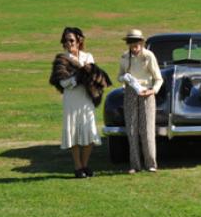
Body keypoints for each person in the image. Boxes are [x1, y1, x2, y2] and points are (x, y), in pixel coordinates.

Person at [49, 27, 108, 178]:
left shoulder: (88, 56)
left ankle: (85, 164)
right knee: (73, 133)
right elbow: (62, 82)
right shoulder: (62, 60)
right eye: (66, 40)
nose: (69, 43)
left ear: (79, 41)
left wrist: (83, 75)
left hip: (86, 99)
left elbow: (93, 75)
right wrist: (77, 78)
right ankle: (77, 167)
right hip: (71, 99)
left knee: (89, 132)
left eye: (72, 40)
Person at [117, 29, 163, 173]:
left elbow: (158, 78)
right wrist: (124, 78)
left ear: (141, 42)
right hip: (131, 92)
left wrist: (153, 90)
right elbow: (119, 76)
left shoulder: (149, 56)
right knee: (131, 129)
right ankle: (134, 165)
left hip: (147, 93)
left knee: (147, 129)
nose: (134, 45)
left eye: (136, 42)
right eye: (131, 42)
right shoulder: (125, 57)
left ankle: (151, 164)